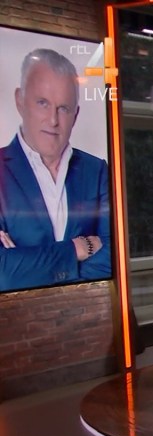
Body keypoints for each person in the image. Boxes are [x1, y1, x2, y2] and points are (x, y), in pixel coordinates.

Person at [0, 48, 109, 293]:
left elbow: (113, 258)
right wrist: (76, 249)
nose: (53, 120)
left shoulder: (97, 171)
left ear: (75, 115)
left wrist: (27, 267)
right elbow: (2, 274)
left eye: (63, 108)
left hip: (85, 311)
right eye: (42, 103)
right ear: (20, 101)